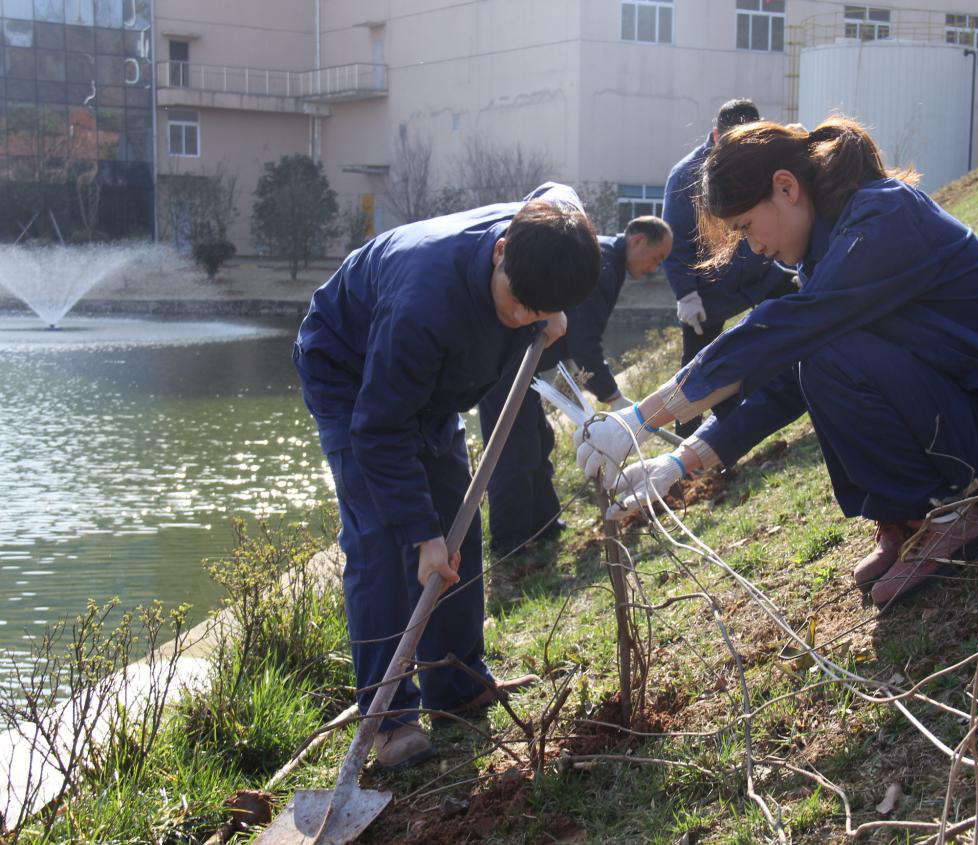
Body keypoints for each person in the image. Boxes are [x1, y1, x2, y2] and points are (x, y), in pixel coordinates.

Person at [575, 118, 978, 609]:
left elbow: (790, 330)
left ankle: (953, 515)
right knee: (819, 358)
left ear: (786, 187)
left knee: (826, 353)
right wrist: (680, 460)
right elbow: (787, 381)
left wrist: (641, 417)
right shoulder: (830, 249)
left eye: (747, 226)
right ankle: (913, 514)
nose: (753, 247)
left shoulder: (883, 217)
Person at [294, 183, 600, 769]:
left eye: (536, 312)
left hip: (433, 383)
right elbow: (380, 429)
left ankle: (456, 683)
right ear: (499, 250)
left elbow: (558, 192)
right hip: (351, 372)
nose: (522, 319)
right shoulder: (423, 302)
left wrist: (548, 313)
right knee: (385, 540)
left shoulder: (546, 242)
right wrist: (420, 534)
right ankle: (388, 718)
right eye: (516, 305)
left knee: (459, 525)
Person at [476, 216, 673, 579]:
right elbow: (585, 343)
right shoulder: (601, 265)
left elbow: (578, 338)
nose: (654, 269)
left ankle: (546, 526)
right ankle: (511, 547)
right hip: (505, 363)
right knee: (513, 452)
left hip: (527, 364)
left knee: (539, 440)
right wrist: (612, 397)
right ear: (639, 241)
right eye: (657, 258)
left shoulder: (609, 263)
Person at [663, 98, 800, 436]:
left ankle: (803, 383)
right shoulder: (686, 177)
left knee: (802, 300)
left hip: (761, 271)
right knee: (697, 364)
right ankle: (687, 440)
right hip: (710, 288)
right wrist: (687, 294)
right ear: (715, 134)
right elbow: (675, 242)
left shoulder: (763, 158)